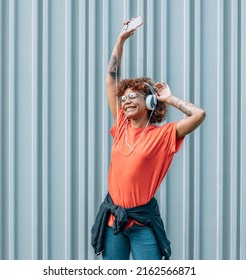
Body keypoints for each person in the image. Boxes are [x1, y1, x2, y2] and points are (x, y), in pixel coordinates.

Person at [91, 19, 206, 260]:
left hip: (142, 223)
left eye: (133, 97)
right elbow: (111, 80)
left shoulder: (163, 135)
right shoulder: (121, 124)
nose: (126, 101)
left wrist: (170, 98)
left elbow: (199, 115)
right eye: (123, 99)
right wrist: (120, 40)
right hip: (114, 222)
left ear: (150, 102)